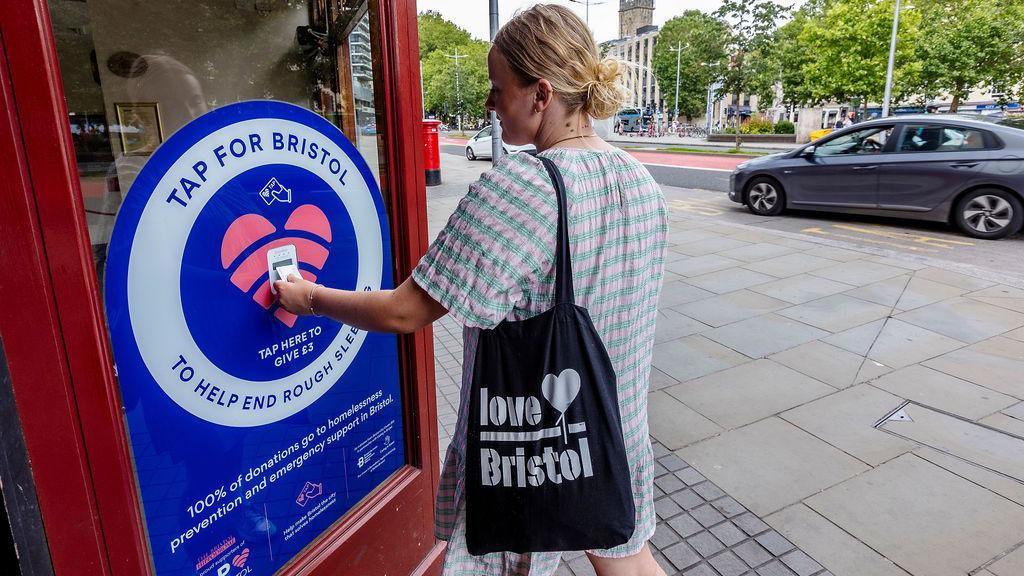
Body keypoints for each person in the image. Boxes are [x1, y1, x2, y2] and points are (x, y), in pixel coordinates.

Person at [275, 4, 668, 575]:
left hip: (532, 442)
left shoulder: (522, 188)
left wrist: (309, 297)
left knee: (506, 556)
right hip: (615, 423)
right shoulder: (640, 179)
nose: (488, 103)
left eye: (496, 87)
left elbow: (407, 310)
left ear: (540, 94)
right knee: (625, 556)